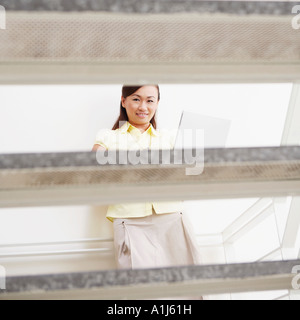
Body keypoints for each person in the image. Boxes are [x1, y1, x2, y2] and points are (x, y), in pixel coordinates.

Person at [92, 85, 202, 271]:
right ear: (123, 101)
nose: (143, 107)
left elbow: (193, 175)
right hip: (129, 221)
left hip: (172, 217)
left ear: (157, 103)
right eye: (136, 99)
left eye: (150, 100)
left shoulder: (170, 138)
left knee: (188, 283)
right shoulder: (108, 137)